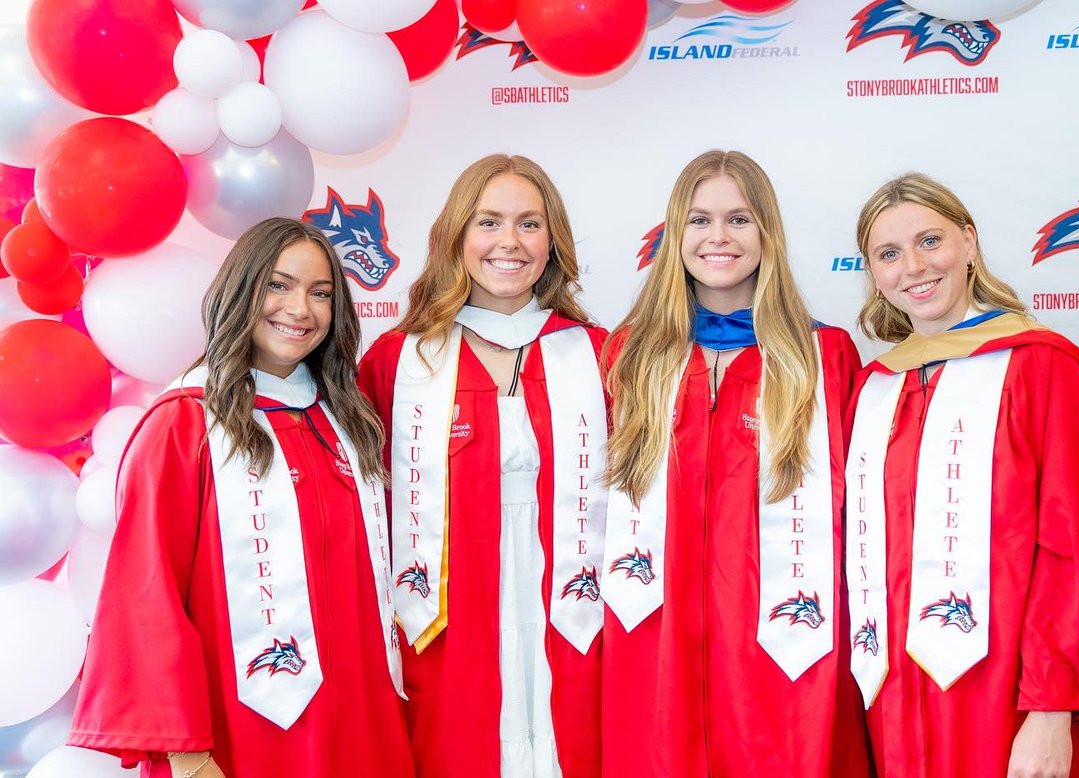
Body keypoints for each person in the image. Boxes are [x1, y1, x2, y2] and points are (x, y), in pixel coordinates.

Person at [846, 172, 1079, 777]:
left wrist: (1050, 710)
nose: (913, 266)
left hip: (1006, 698)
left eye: (930, 241)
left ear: (969, 242)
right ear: (874, 273)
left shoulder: (1040, 369)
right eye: (889, 253)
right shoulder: (873, 389)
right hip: (893, 703)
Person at [68, 218, 414, 777]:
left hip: (361, 721)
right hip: (244, 730)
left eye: (320, 293)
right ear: (241, 290)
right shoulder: (185, 423)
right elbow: (145, 593)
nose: (300, 308)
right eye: (278, 285)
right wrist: (187, 756)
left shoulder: (347, 423)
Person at [601, 150, 871, 777]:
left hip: (785, 637)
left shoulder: (822, 355)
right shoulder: (630, 353)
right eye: (698, 219)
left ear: (767, 232)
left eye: (739, 219)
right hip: (654, 634)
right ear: (676, 235)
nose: (717, 237)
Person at [357, 154, 607, 778]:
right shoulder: (397, 361)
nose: (509, 242)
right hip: (450, 608)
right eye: (488, 221)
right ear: (456, 237)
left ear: (553, 242)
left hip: (571, 602)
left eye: (529, 223)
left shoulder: (600, 355)